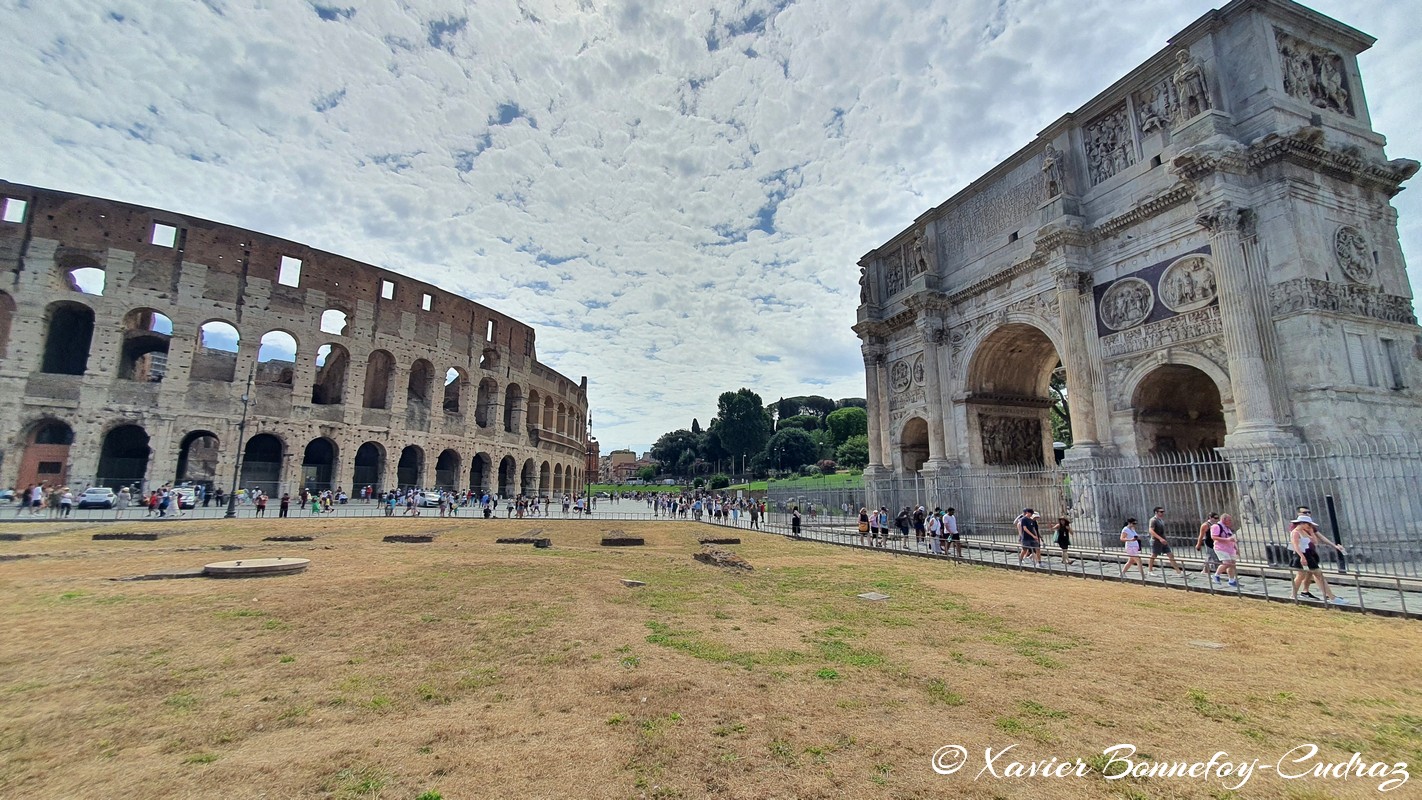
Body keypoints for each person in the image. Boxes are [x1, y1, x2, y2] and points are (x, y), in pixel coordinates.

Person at [1290, 514, 1347, 604]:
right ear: (1302, 523)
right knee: (1316, 575)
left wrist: (1311, 531)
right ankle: (1331, 597)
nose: (1309, 526)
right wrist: (1302, 557)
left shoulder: (1304, 531)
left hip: (1308, 555)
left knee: (1302, 576)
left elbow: (1315, 541)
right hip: (1302, 555)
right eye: (1308, 524)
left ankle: (1293, 595)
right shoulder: (1295, 532)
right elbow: (1295, 546)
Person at [1147, 507, 1184, 575]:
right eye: (1161, 512)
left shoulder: (1161, 520)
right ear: (1156, 512)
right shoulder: (1153, 520)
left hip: (1163, 541)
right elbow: (1151, 530)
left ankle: (1178, 572)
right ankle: (1149, 570)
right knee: (1154, 555)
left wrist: (1163, 539)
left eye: (1163, 512)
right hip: (1156, 541)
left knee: (1170, 555)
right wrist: (1160, 538)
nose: (1162, 513)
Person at [1210, 513, 1239, 586]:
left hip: (1230, 548)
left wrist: (1236, 548)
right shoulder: (1216, 526)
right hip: (1221, 548)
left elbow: (1231, 539)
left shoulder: (1227, 528)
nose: (1230, 521)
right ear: (1223, 520)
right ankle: (1216, 575)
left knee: (1232, 564)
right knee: (1227, 562)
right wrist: (1227, 539)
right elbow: (1214, 537)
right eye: (1229, 520)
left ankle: (1231, 580)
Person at [1196, 512, 1221, 578]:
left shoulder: (1217, 524)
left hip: (1216, 542)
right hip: (1209, 542)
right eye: (1215, 518)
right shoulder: (1205, 525)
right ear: (1210, 517)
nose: (1217, 519)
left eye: (1217, 518)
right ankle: (1216, 573)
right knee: (1213, 557)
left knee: (1210, 557)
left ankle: (1205, 570)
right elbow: (1201, 535)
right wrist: (1198, 544)